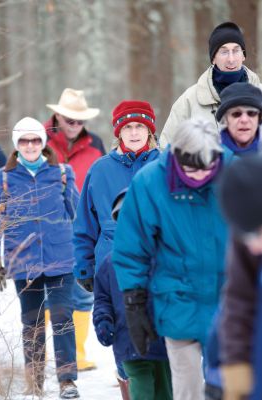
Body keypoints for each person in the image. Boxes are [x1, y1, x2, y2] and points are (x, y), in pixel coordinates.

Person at [112, 118, 228, 400]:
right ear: (177, 156)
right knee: (188, 389)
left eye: (207, 169)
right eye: (191, 168)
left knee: (231, 388)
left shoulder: (236, 173)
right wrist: (134, 301)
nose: (199, 176)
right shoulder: (150, 182)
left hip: (229, 301)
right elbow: (131, 248)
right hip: (176, 298)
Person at [73, 100, 159, 387]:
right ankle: (129, 386)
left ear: (150, 131)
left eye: (141, 127)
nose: (134, 133)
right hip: (114, 266)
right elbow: (85, 223)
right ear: (118, 133)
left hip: (160, 265)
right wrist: (84, 266)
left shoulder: (165, 164)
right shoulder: (100, 170)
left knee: (161, 344)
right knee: (124, 343)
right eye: (128, 127)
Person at [0, 117, 80, 399]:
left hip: (60, 258)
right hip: (24, 262)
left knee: (62, 319)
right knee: (31, 323)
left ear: (43, 144)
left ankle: (67, 380)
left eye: (35, 140)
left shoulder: (63, 173)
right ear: (16, 146)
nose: (30, 145)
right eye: (24, 141)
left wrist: (82, 250)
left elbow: (76, 214)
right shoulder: (4, 178)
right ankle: (35, 383)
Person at [45, 87, 106, 371]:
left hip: (85, 226)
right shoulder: (37, 140)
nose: (75, 125)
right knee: (52, 290)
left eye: (80, 120)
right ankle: (51, 351)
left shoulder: (96, 144)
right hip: (47, 228)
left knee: (83, 290)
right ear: (58, 115)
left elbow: (104, 183)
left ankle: (78, 353)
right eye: (70, 119)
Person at [93, 189, 172, 400]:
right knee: (141, 388)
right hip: (128, 340)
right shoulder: (110, 262)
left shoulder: (166, 257)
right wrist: (103, 321)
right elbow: (102, 299)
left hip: (163, 340)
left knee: (165, 390)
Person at [160, 21, 260, 148]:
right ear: (213, 58)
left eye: (236, 51)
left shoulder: (260, 93)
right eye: (224, 52)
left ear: (243, 55)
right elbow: (166, 150)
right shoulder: (190, 100)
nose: (231, 59)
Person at [217, 155, 262, 400]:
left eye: (257, 233)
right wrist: (234, 365)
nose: (254, 247)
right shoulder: (246, 231)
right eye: (246, 237)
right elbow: (237, 301)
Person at [216, 82, 262, 156]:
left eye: (251, 113)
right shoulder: (210, 156)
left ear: (259, 118)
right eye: (236, 114)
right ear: (225, 119)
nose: (244, 120)